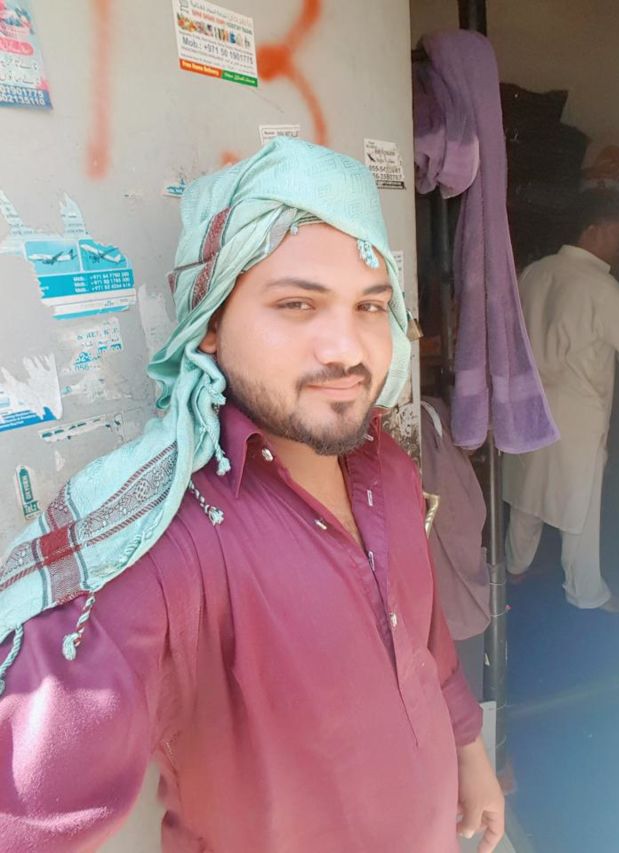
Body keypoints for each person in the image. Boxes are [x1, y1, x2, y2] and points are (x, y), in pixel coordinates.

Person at [0, 139, 504, 852]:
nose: (347, 349)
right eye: (297, 304)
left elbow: (422, 637)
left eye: (370, 305)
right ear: (209, 321)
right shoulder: (166, 547)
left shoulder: (385, 464)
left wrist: (469, 752)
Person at [503, 189, 619, 611]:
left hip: (527, 407)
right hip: (577, 416)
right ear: (593, 230)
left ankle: (514, 567)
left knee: (527, 494)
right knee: (580, 507)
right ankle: (586, 593)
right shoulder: (602, 288)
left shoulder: (533, 273)